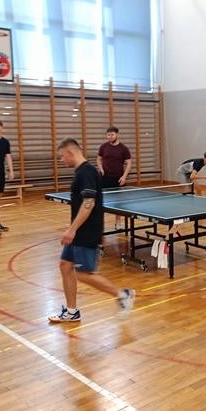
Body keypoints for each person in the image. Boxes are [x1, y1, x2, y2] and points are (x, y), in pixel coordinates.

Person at [48, 138, 135, 323]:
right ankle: (71, 312)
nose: (62, 160)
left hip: (86, 232)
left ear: (70, 152)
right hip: (78, 231)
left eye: (62, 156)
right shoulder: (81, 171)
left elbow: (89, 203)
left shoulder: (86, 172)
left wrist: (72, 230)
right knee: (65, 265)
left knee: (83, 273)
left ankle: (123, 294)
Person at [97, 126, 132, 229]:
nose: (110, 137)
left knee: (118, 202)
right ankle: (101, 224)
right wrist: (101, 169)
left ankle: (118, 222)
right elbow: (99, 159)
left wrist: (124, 177)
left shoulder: (123, 148)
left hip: (118, 179)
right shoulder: (103, 147)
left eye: (112, 135)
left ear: (117, 135)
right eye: (108, 135)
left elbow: (129, 163)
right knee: (102, 201)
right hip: (104, 178)